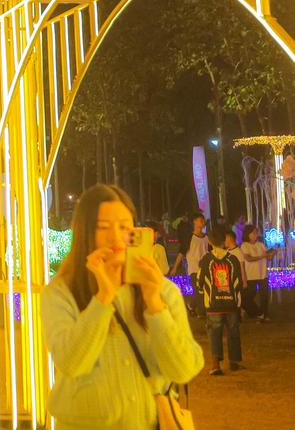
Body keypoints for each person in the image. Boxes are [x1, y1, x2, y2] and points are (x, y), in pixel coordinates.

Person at [41, 184, 202, 429]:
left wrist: (155, 305)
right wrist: (103, 296)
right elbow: (71, 363)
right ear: (85, 233)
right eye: (103, 227)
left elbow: (184, 369)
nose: (116, 236)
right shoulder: (62, 292)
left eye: (125, 227)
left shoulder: (162, 290)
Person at [198, 225, 245, 375]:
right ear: (224, 240)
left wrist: (204, 294)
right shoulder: (233, 260)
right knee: (233, 331)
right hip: (231, 303)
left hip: (213, 305)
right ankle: (234, 362)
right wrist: (237, 301)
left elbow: (200, 281)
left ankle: (216, 365)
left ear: (210, 242)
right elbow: (237, 282)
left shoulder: (206, 260)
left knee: (215, 333)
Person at [169, 212, 208, 317]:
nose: (202, 222)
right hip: (194, 268)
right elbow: (182, 252)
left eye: (203, 220)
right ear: (194, 222)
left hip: (205, 268)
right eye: (200, 220)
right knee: (198, 290)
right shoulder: (189, 237)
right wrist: (175, 267)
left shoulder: (206, 238)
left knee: (202, 290)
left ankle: (191, 305)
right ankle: (202, 312)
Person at [240, 224, 275, 321]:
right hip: (251, 275)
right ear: (248, 234)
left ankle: (264, 314)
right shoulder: (244, 245)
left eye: (256, 232)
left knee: (264, 296)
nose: (256, 234)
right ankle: (256, 312)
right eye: (253, 232)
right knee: (248, 296)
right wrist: (262, 256)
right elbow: (248, 258)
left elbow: (268, 257)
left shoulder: (261, 245)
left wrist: (273, 253)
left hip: (262, 274)